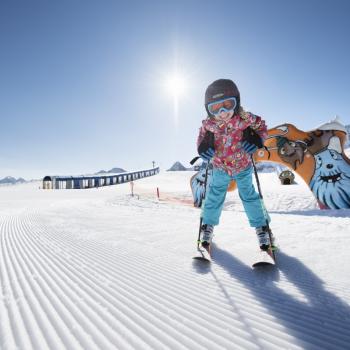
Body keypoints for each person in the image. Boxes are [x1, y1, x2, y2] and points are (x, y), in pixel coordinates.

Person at [197, 79, 275, 254]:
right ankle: (207, 228)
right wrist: (202, 147)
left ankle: (263, 230)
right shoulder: (208, 125)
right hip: (219, 167)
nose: (222, 112)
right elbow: (200, 139)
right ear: (208, 110)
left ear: (237, 102)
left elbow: (262, 127)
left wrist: (257, 139)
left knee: (249, 196)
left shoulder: (245, 119)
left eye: (227, 104)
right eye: (215, 108)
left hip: (243, 166)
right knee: (214, 197)